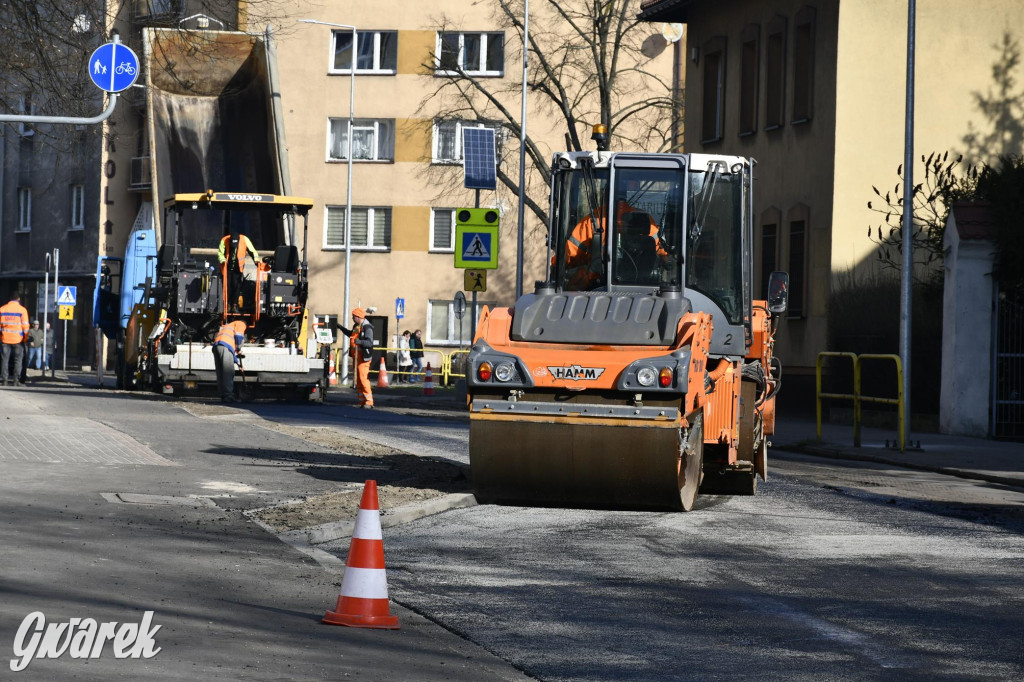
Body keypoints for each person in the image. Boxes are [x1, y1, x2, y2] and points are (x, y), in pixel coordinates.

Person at [563, 201, 668, 290]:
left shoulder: (593, 220)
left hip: (597, 286)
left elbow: (569, 255)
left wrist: (556, 268)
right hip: (646, 285)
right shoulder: (646, 221)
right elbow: (664, 256)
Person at [338, 308, 375, 408]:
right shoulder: (357, 326)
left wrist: (360, 342)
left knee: (363, 379)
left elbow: (369, 342)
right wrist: (341, 328)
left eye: (353, 316)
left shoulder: (367, 328)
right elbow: (352, 334)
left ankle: (369, 401)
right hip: (356, 357)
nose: (352, 318)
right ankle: (361, 401)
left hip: (363, 358)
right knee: (358, 380)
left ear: (358, 317)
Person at [218, 231, 260, 313]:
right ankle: (227, 305)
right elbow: (220, 253)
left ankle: (234, 305)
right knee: (227, 286)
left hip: (238, 268)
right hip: (227, 268)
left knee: (237, 286)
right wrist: (223, 260)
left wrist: (256, 260)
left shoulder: (245, 240)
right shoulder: (224, 240)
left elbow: (253, 251)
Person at [212, 319, 247, 403]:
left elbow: (230, 353)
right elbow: (238, 336)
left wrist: (237, 363)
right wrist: (238, 348)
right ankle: (228, 396)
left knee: (221, 372)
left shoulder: (228, 326)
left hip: (216, 347)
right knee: (228, 372)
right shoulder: (241, 323)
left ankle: (223, 395)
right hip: (225, 346)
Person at [0, 292, 30, 386]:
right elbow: (25, 326)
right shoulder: (22, 310)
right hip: (18, 339)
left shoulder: (2, 309)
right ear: (19, 299)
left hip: (5, 339)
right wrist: (25, 339)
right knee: (18, 360)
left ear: (10, 298)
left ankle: (4, 380)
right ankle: (16, 381)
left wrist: (1, 336)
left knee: (4, 360)